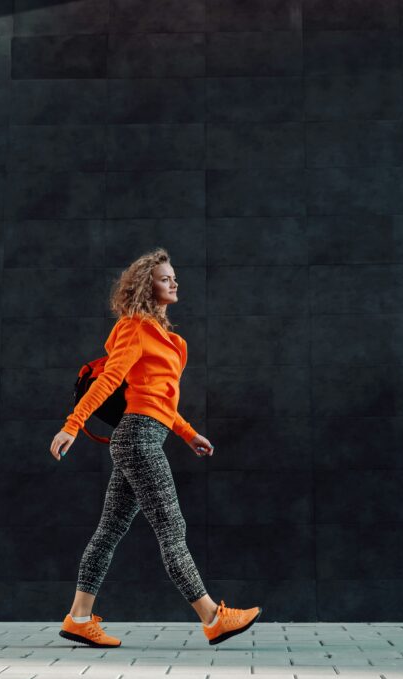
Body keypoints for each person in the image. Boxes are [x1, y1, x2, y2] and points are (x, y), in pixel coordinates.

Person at [49, 248, 262, 648]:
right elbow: (109, 380)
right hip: (139, 439)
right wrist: (71, 426)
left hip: (145, 433)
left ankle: (78, 618)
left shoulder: (169, 340)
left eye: (173, 277)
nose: (174, 282)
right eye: (166, 278)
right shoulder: (134, 327)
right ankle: (214, 618)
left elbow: (159, 402)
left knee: (109, 531)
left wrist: (187, 433)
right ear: (148, 287)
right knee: (172, 529)